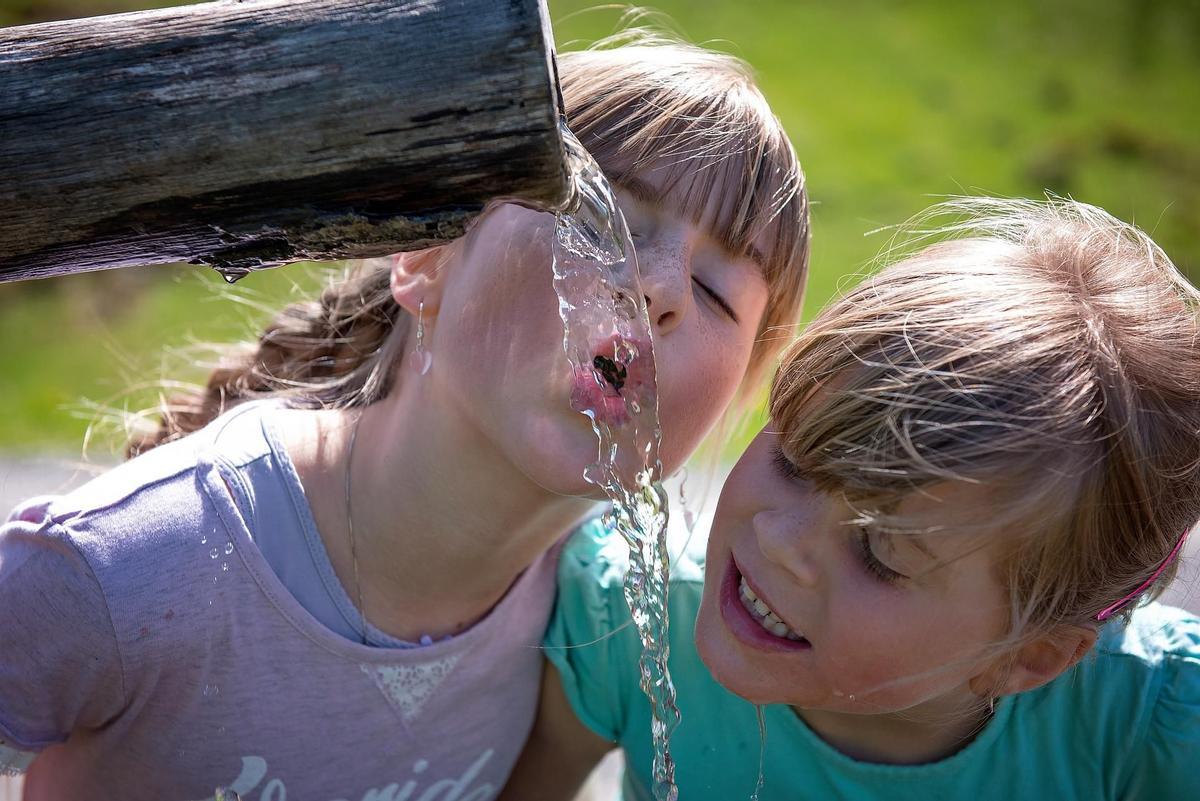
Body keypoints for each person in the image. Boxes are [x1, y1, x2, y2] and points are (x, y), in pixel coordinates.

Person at [0, 36, 809, 800]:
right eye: (603, 221)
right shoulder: (134, 563)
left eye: (714, 293)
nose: (659, 288)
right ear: (424, 259)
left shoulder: (601, 622)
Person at [506, 197, 1200, 800]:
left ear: (1029, 657)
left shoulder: (1149, 730)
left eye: (878, 551)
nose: (780, 537)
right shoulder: (630, 621)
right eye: (794, 458)